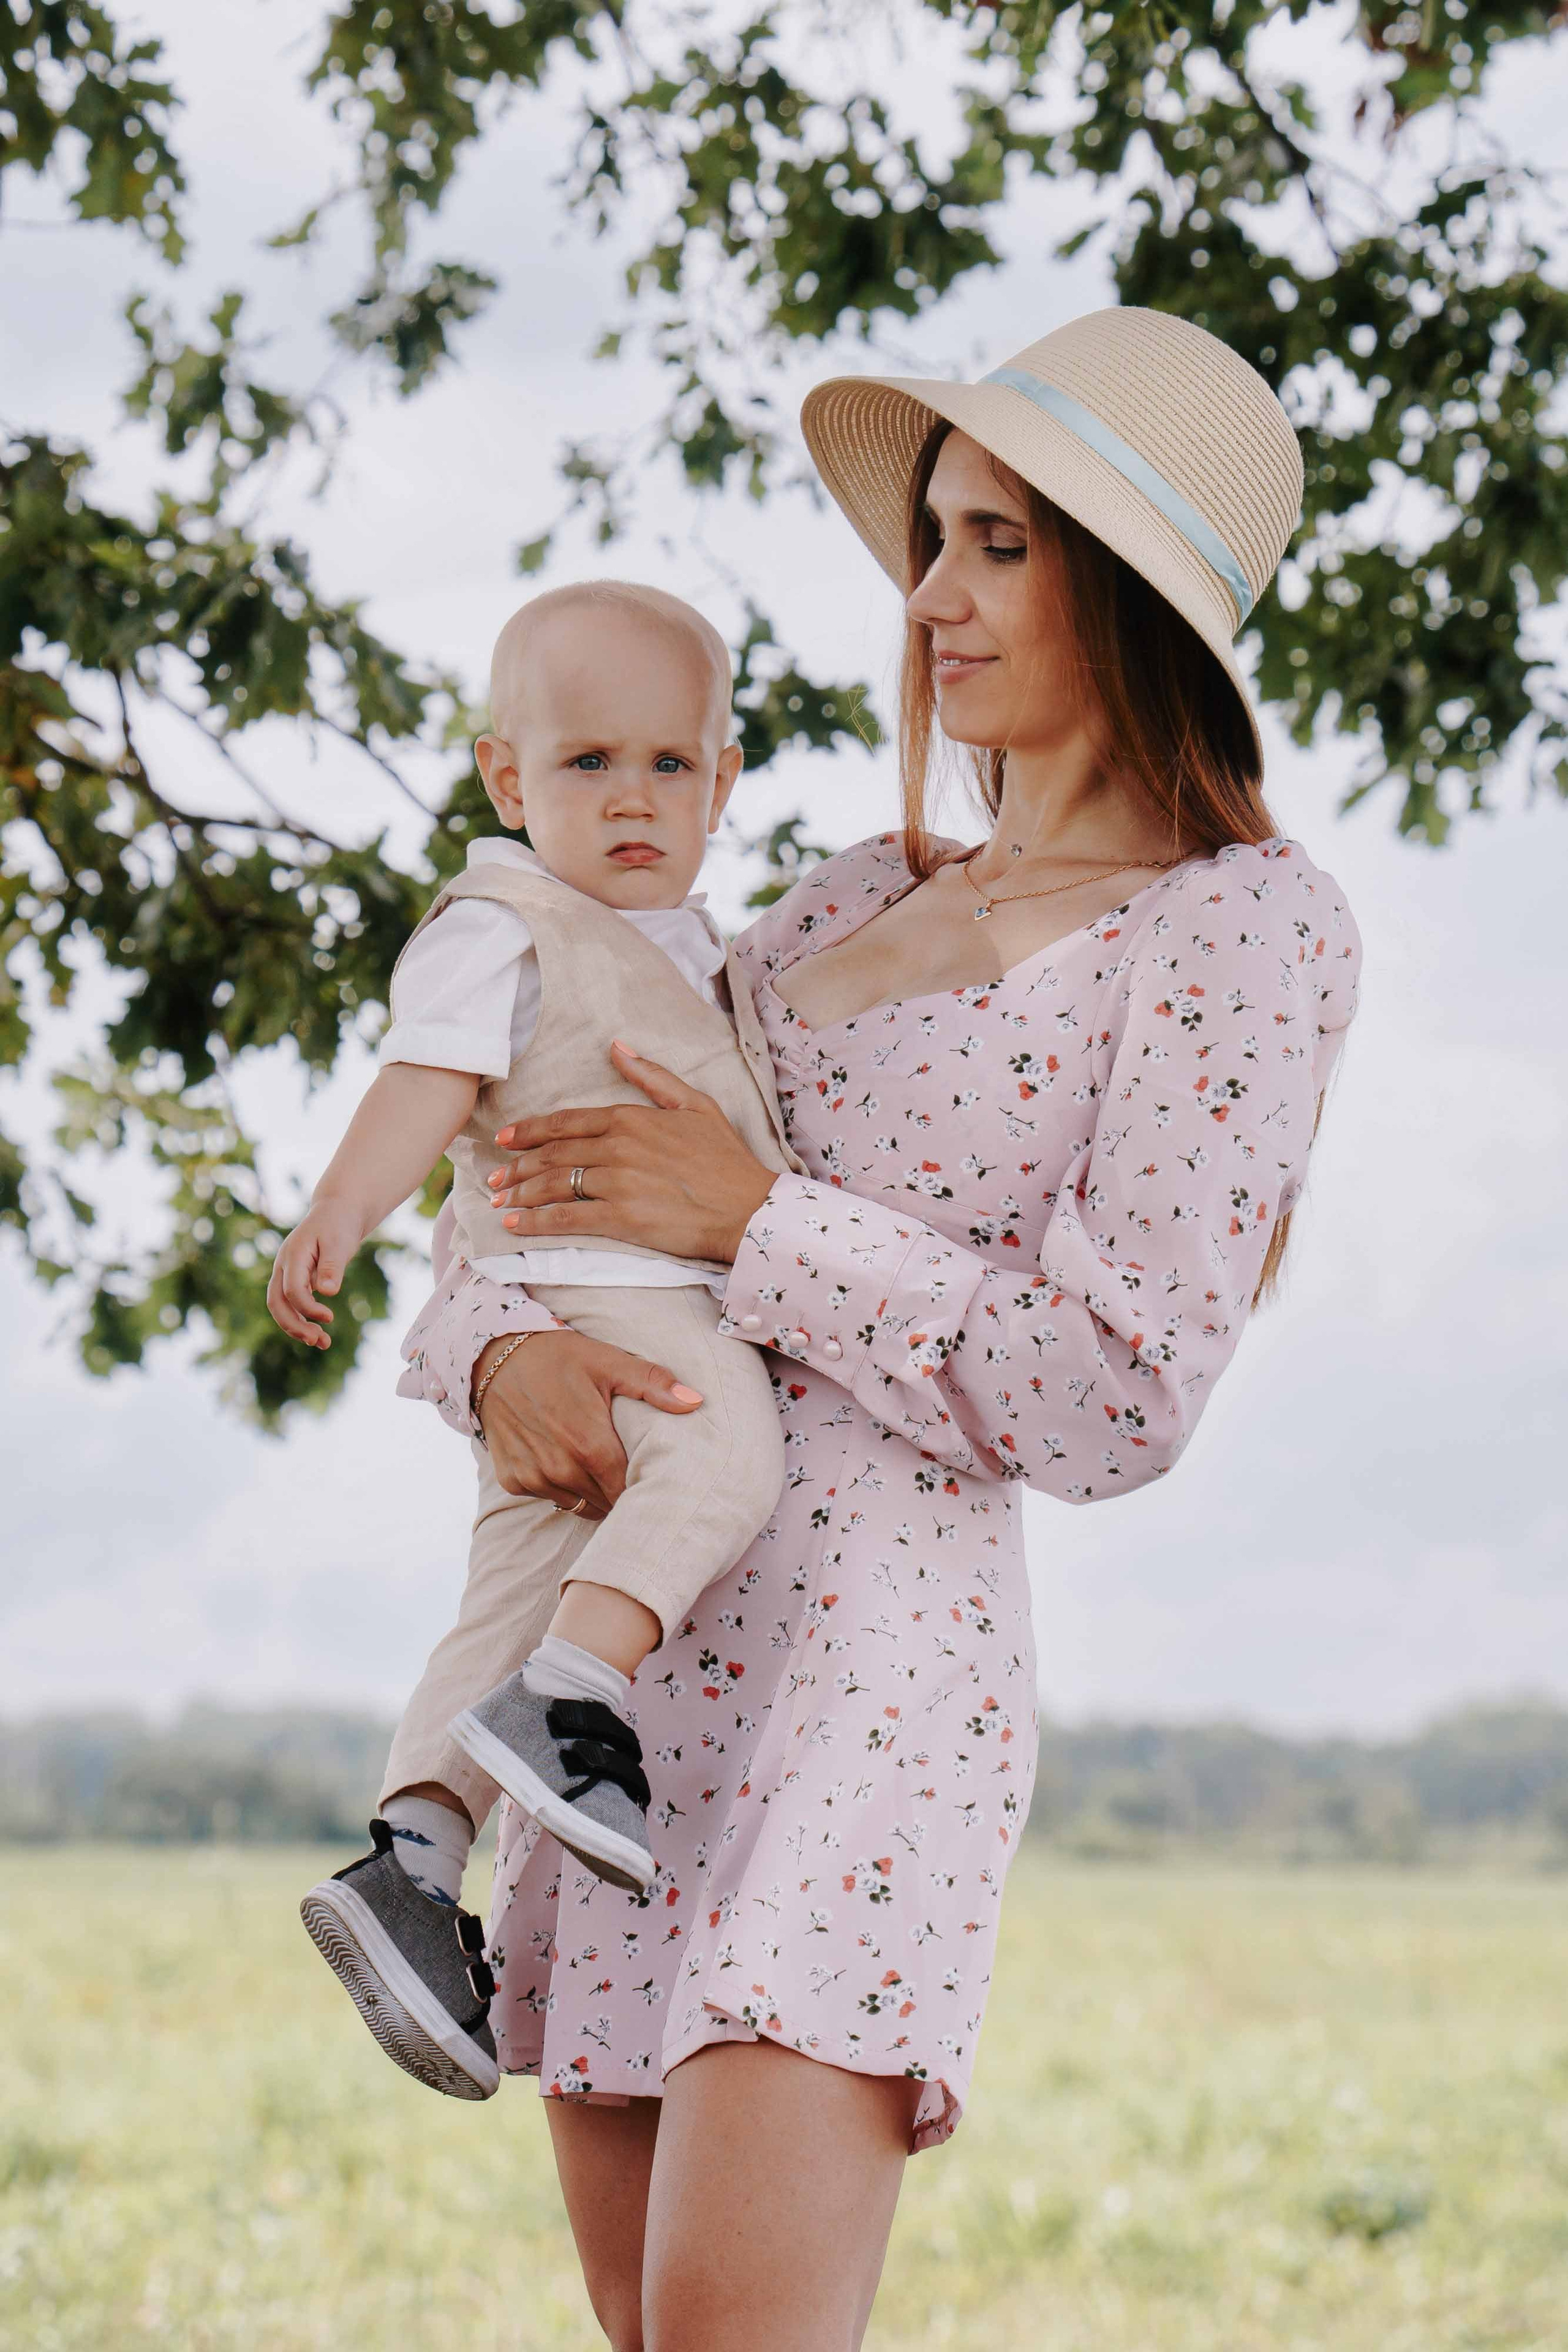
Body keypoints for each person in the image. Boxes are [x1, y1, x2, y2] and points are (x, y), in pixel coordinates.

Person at [399, 307, 1363, 2350]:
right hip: (625, 1682)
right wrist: (496, 1353)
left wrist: (766, 1226)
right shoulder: (834, 904)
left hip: (873, 1690)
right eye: (934, 539)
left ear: (1131, 583)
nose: (927, 598)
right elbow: (561, 1141)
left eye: (998, 544)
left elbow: (1114, 1397)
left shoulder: (1240, 927)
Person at [267, 581, 800, 2101]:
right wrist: (338, 1212)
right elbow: (423, 1084)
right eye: (584, 766)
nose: (630, 799)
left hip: (590, 1289)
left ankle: (412, 1867)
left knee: (512, 1572)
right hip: (589, 1272)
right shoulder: (503, 923)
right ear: (508, 780)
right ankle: (575, 1697)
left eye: (668, 767)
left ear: (721, 783)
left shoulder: (706, 942)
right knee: (724, 1446)